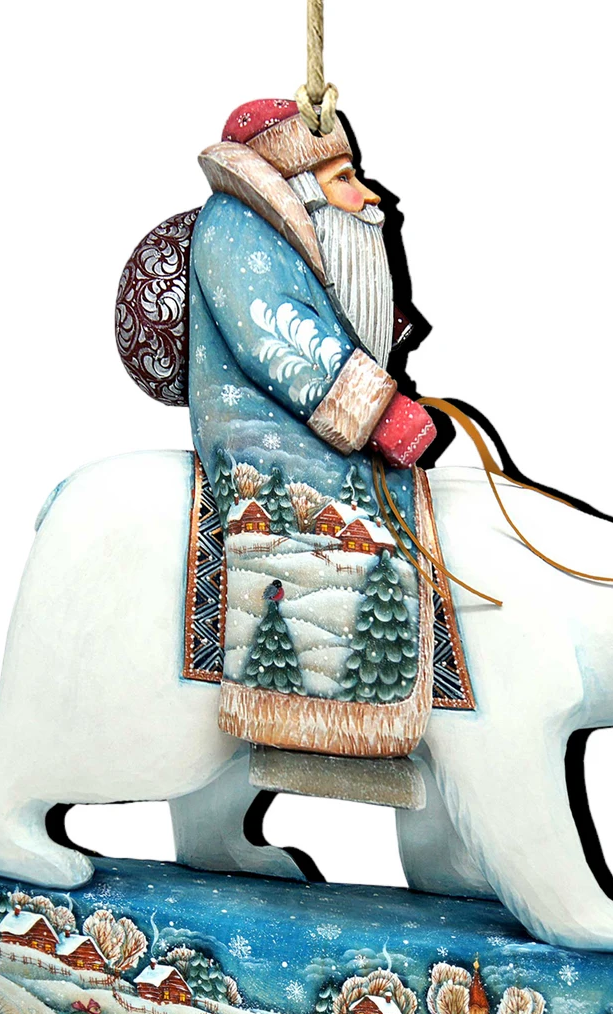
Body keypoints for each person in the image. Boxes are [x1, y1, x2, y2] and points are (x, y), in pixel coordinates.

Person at [190, 98, 442, 760]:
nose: (368, 195)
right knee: (336, 532)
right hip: (264, 423)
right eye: (344, 179)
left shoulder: (293, 236)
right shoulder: (234, 226)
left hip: (302, 415)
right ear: (300, 186)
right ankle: (314, 723)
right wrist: (377, 411)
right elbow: (276, 332)